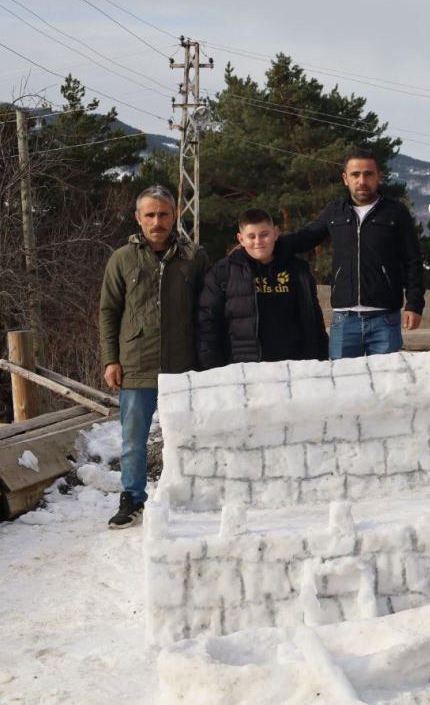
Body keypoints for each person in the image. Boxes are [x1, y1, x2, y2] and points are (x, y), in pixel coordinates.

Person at [99, 185, 210, 529]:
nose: (157, 221)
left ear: (175, 215)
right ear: (138, 218)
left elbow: (208, 310)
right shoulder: (122, 259)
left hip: (184, 364)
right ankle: (132, 498)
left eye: (163, 214)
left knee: (189, 435)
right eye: (150, 215)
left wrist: (208, 360)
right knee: (134, 439)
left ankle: (191, 494)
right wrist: (110, 359)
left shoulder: (195, 257)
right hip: (136, 363)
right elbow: (108, 311)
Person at [275, 149, 425, 358]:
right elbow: (304, 238)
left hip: (385, 320)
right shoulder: (334, 212)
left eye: (368, 174)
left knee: (385, 386)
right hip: (344, 321)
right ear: (345, 179)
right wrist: (266, 244)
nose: (362, 180)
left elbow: (413, 261)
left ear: (378, 177)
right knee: (342, 386)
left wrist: (414, 304)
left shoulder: (395, 212)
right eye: (355, 174)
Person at [197, 208, 328, 369]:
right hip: (244, 369)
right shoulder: (222, 273)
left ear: (276, 233)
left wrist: (321, 361)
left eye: (264, 234)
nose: (258, 241)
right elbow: (208, 323)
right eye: (251, 236)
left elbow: (314, 321)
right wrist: (212, 369)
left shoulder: (298, 270)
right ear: (241, 239)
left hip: (294, 368)